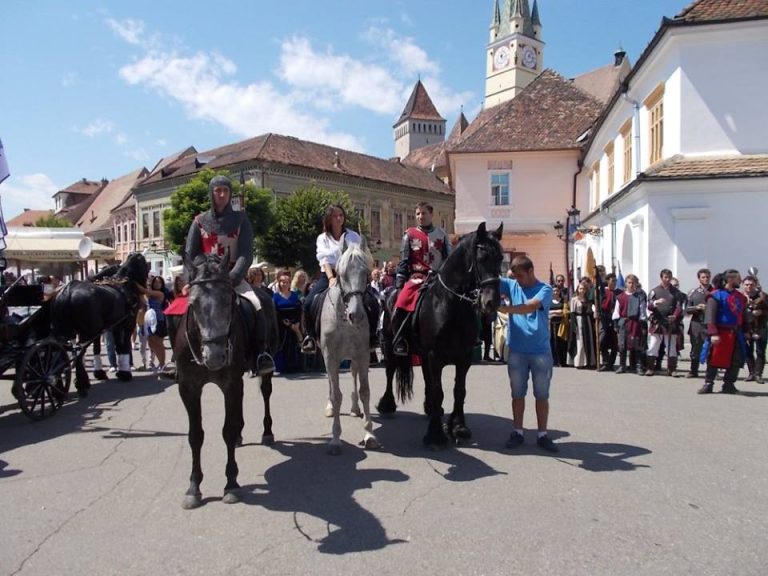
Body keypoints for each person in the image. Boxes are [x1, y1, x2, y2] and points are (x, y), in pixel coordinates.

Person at [184, 175, 274, 375]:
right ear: (212, 194)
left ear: (230, 193)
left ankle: (260, 355)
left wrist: (232, 277)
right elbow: (190, 254)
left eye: (225, 190)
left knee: (258, 306)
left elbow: (245, 253)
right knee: (177, 310)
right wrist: (194, 277)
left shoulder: (241, 220)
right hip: (205, 280)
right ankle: (178, 359)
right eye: (218, 191)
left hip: (233, 278)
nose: (222, 194)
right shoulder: (199, 221)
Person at [498, 256, 557, 452]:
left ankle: (542, 434)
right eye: (516, 277)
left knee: (541, 395)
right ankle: (518, 431)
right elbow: (490, 280)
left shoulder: (545, 289)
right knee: (517, 395)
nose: (519, 281)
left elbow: (530, 306)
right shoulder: (512, 285)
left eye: (521, 276)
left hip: (540, 352)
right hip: (517, 351)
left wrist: (503, 308)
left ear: (531, 271)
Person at [301, 204, 378, 354]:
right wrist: (331, 278)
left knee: (372, 301)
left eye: (341, 215)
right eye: (335, 216)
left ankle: (373, 336)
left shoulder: (353, 236)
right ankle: (309, 337)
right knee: (308, 302)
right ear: (329, 219)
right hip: (330, 273)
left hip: (351, 276)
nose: (339, 218)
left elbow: (362, 256)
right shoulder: (323, 238)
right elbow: (324, 260)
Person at [391, 202, 451, 356]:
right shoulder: (409, 235)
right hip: (417, 278)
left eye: (423, 213)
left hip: (439, 278)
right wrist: (399, 285)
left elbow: (449, 259)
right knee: (401, 302)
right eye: (418, 214)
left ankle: (469, 336)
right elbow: (404, 261)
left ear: (431, 214)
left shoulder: (442, 234)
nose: (420, 217)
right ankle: (401, 339)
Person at [698, 269, 750, 394]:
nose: (740, 281)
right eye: (738, 278)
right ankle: (708, 383)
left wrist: (746, 330)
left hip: (736, 333)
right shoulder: (716, 295)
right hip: (720, 332)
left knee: (736, 359)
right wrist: (713, 333)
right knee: (714, 358)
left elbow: (743, 316)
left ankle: (729, 384)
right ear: (730, 279)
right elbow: (710, 315)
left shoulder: (741, 297)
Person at [645, 269, 683, 376]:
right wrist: (656, 302)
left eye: (669, 277)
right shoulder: (654, 291)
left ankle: (672, 369)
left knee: (671, 346)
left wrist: (675, 316)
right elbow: (649, 305)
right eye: (665, 277)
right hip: (657, 321)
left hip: (671, 322)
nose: (667, 279)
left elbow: (679, 306)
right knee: (653, 345)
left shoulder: (676, 292)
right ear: (661, 278)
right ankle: (650, 368)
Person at [613, 274, 647, 374]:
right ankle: (622, 366)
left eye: (633, 283)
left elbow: (642, 311)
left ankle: (639, 367)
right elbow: (616, 311)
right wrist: (616, 324)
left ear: (636, 284)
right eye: (629, 282)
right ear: (626, 284)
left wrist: (643, 324)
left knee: (637, 345)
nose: (631, 285)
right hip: (623, 322)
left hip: (635, 323)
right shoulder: (620, 297)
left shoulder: (639, 297)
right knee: (622, 345)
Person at [272, 269, 303, 374]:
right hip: (281, 324)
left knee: (294, 345)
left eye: (287, 282)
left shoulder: (294, 295)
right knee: (282, 345)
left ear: (290, 283)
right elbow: (274, 311)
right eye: (283, 282)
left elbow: (299, 309)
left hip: (294, 324)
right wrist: (283, 321)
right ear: (279, 283)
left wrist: (297, 322)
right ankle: (282, 366)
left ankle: (294, 366)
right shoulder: (275, 296)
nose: (285, 284)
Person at [685, 268, 711, 378]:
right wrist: (697, 308)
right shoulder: (693, 292)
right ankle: (693, 370)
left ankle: (711, 371)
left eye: (707, 277)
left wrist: (708, 308)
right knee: (695, 347)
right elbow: (687, 309)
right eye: (703, 277)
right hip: (696, 323)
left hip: (710, 323)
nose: (705, 279)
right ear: (699, 279)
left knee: (711, 348)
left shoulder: (715, 291)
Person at [743, 275, 767, 383]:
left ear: (756, 285)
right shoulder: (740, 297)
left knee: (760, 351)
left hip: (760, 327)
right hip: (746, 327)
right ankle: (751, 373)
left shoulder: (763, 296)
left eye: (751, 285)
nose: (749, 287)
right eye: (747, 284)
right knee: (748, 351)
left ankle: (758, 374)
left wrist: (762, 312)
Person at [568, 282, 596, 369]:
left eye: (583, 288)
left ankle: (589, 361)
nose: (582, 290)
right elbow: (572, 313)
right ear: (577, 289)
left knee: (589, 341)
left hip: (587, 320)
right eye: (580, 288)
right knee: (580, 341)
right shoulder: (574, 299)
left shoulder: (588, 300)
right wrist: (573, 325)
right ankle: (579, 362)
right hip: (578, 320)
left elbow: (591, 311)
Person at [598, 273, 619, 371]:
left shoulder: (619, 292)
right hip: (605, 318)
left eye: (615, 281)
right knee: (602, 340)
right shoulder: (603, 291)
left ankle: (611, 363)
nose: (614, 283)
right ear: (608, 281)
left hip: (616, 319)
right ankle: (606, 362)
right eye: (612, 280)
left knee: (615, 343)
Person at [549, 274, 569, 367]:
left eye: (557, 290)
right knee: (553, 343)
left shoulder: (562, 300)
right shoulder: (549, 301)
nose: (555, 292)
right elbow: (547, 314)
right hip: (551, 324)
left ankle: (562, 361)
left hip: (561, 324)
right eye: (553, 290)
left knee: (562, 343)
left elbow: (563, 312)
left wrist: (554, 312)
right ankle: (554, 361)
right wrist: (555, 312)